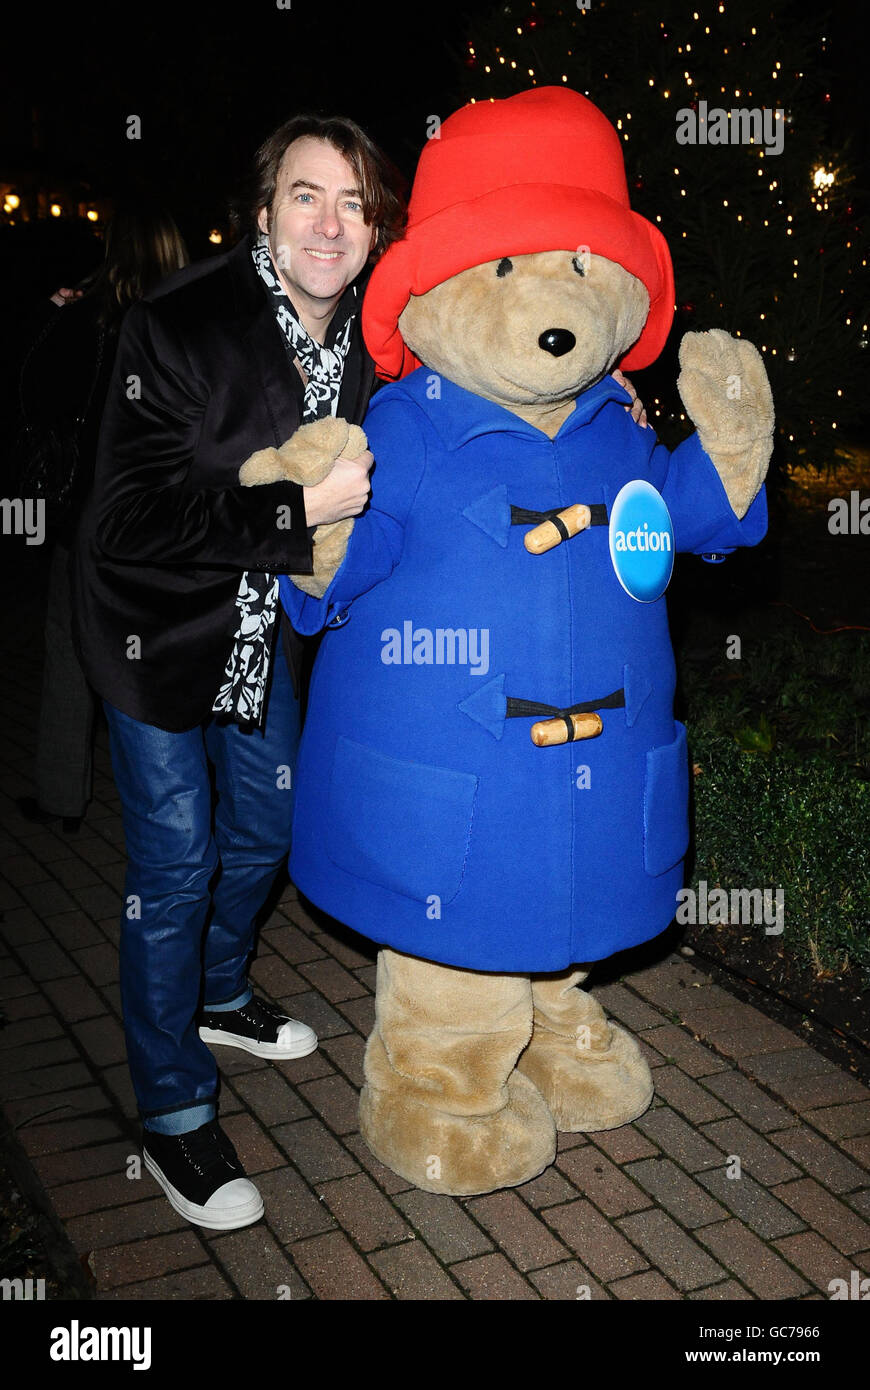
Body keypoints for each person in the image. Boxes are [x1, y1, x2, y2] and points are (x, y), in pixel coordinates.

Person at [69, 114, 406, 1232]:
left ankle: (218, 993)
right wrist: (293, 512)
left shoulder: (378, 337)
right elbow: (120, 520)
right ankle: (172, 1114)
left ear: (373, 227)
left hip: (266, 636)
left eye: (352, 202)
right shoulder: (176, 325)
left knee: (267, 831)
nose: (329, 222)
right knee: (175, 862)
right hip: (153, 637)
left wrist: (612, 401)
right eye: (305, 195)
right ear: (262, 212)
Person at [15, 206, 188, 834]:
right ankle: (171, 805)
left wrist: (51, 316)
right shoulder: (191, 321)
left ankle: (64, 798)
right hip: (167, 520)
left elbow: (34, 390)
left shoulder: (90, 318)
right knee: (148, 653)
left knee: (70, 650)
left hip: (89, 516)